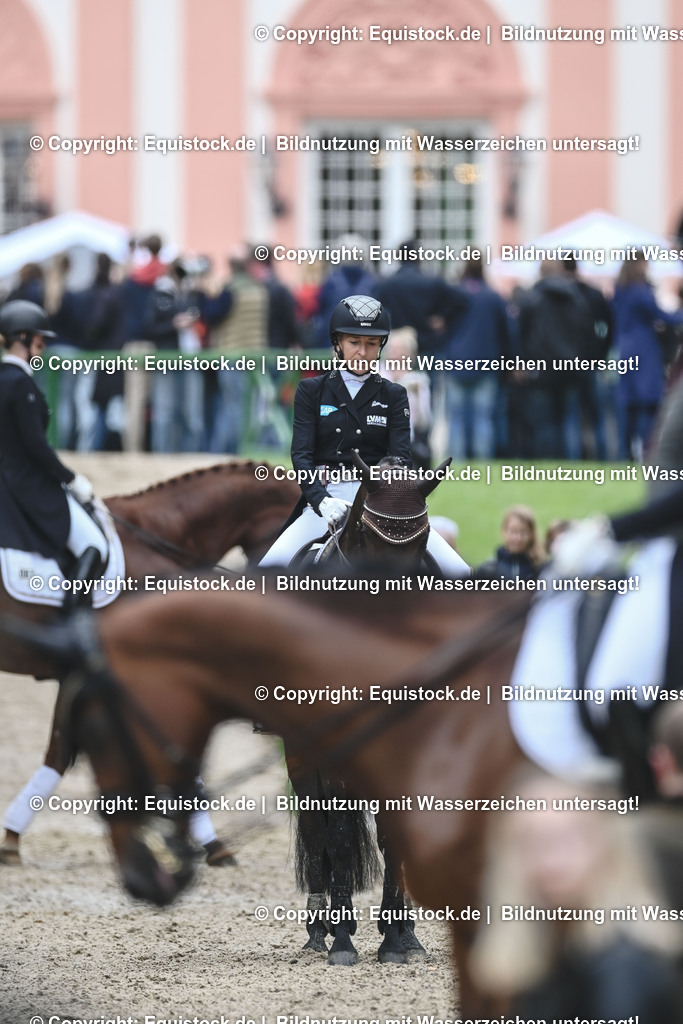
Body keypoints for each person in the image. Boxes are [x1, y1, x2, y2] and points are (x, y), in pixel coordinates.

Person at [259, 295, 469, 575]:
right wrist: (320, 500)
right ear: (338, 344)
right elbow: (301, 455)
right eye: (354, 343)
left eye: (371, 344)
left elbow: (400, 460)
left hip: (380, 500)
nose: (362, 352)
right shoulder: (311, 390)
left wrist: (390, 497)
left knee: (460, 572)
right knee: (265, 574)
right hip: (327, 497)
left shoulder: (394, 394)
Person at [0, 301, 107, 606]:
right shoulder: (21, 384)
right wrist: (71, 480)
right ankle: (74, 624)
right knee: (94, 545)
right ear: (21, 338)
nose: (43, 348)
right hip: (30, 484)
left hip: (6, 479)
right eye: (39, 341)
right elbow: (36, 446)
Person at [613, 249, 683, 460]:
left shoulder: (620, 291)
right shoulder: (641, 292)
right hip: (644, 351)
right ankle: (646, 452)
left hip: (624, 350)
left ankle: (624, 454)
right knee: (647, 403)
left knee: (628, 404)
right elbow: (662, 315)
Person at [478, 505, 543, 580]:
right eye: (513, 532)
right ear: (504, 531)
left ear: (532, 534)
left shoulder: (541, 570)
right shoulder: (488, 570)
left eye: (523, 532)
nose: (518, 538)